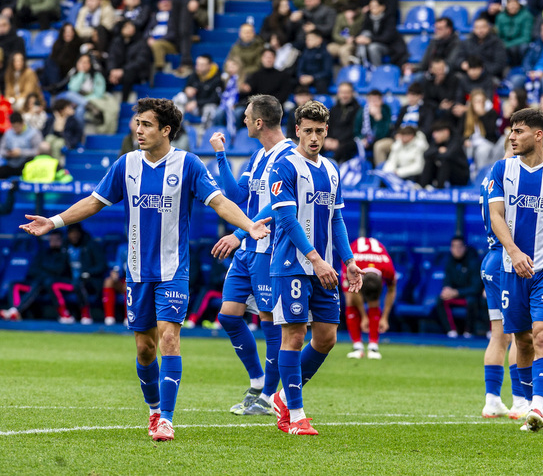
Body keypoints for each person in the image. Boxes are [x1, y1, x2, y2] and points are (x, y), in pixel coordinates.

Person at [18, 97, 271, 442]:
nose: (138, 130)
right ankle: (153, 410)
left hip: (173, 270)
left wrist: (249, 226)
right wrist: (54, 221)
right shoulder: (126, 165)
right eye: (137, 123)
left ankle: (166, 418)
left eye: (147, 124)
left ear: (166, 130)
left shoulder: (188, 164)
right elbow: (94, 201)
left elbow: (220, 202)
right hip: (137, 273)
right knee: (144, 348)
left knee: (169, 338)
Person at [268, 100, 364, 436]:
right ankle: (296, 414)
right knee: (294, 336)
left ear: (327, 132)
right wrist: (316, 258)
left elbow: (336, 218)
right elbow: (285, 218)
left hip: (324, 268)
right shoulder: (284, 166)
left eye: (319, 131)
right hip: (293, 265)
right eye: (307, 130)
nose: (313, 137)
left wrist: (349, 260)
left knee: (326, 338)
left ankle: (282, 398)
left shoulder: (332, 169)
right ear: (297, 130)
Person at [206, 95, 297, 416]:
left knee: (272, 323)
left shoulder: (290, 157)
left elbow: (278, 206)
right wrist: (221, 156)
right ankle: (258, 381)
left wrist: (239, 233)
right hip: (248, 250)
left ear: (259, 122)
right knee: (229, 315)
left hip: (270, 249)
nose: (243, 120)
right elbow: (237, 195)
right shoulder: (258, 156)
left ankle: (270, 396)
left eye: (246, 116)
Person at [488, 107, 543, 432]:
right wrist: (513, 251)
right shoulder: (501, 169)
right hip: (512, 269)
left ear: (538, 135)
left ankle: (538, 406)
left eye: (519, 131)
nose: (512, 136)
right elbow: (496, 215)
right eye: (511, 131)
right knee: (521, 340)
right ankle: (524, 403)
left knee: (542, 334)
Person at [479, 147, 529, 420]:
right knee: (521, 333)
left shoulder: (488, 178)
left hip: (490, 257)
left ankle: (492, 400)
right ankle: (521, 401)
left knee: (499, 334)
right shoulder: (513, 178)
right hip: (508, 258)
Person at [0, 231, 72, 321]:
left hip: (51, 284)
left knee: (43, 281)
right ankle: (14, 312)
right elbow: (32, 270)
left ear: (61, 240)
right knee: (14, 284)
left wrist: (44, 268)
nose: (53, 241)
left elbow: (59, 270)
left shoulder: (64, 254)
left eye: (56, 239)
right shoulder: (43, 252)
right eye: (52, 239)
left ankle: (15, 311)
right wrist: (46, 270)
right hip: (37, 282)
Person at [343, 237, 396, 359]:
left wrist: (385, 317)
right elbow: (352, 292)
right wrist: (364, 316)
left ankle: (373, 345)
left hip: (375, 264)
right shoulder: (351, 267)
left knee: (374, 302)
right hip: (353, 261)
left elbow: (392, 290)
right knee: (350, 300)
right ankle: (357, 346)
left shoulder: (388, 269)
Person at [65, 223, 107, 324]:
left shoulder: (91, 245)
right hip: (70, 281)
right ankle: (64, 315)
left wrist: (88, 273)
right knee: (51, 283)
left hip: (91, 281)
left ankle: (86, 314)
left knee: (79, 283)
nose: (74, 235)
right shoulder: (65, 246)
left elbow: (102, 265)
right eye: (71, 233)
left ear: (80, 233)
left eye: (76, 233)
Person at [107, 20, 153, 102]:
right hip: (118, 72)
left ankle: (124, 101)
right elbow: (112, 58)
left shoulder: (141, 42)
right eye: (126, 26)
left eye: (131, 26)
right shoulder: (116, 42)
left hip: (137, 73)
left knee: (129, 74)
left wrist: (123, 70)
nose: (130, 28)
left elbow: (140, 61)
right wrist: (112, 70)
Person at [172, 54, 223, 129]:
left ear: (210, 66)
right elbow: (186, 87)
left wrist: (197, 103)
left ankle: (205, 134)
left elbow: (216, 100)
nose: (198, 67)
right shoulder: (194, 74)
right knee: (180, 97)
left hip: (207, 106)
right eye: (197, 64)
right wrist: (186, 90)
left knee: (209, 108)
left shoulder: (218, 78)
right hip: (194, 106)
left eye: (202, 65)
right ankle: (176, 127)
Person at [354, 0, 407, 67]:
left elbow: (386, 38)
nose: (373, 9)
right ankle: (360, 63)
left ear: (382, 7)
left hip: (389, 46)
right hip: (371, 43)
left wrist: (370, 40)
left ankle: (377, 70)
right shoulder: (368, 18)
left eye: (375, 6)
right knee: (365, 34)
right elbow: (361, 30)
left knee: (373, 47)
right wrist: (357, 38)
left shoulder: (389, 18)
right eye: (371, 6)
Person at [420, 120, 469, 189]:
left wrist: (436, 154)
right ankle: (423, 187)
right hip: (444, 174)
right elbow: (426, 154)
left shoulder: (456, 140)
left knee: (446, 161)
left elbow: (448, 155)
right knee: (429, 160)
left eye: (437, 132)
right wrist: (438, 150)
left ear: (446, 132)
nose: (434, 135)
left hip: (460, 176)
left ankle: (439, 189)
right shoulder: (437, 143)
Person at [325, 81, 360, 164]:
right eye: (342, 93)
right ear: (338, 94)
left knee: (346, 147)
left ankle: (333, 170)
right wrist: (327, 139)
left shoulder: (358, 109)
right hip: (331, 140)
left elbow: (353, 130)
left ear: (352, 93)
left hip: (348, 141)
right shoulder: (333, 109)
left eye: (347, 93)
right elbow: (328, 126)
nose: (344, 96)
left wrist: (338, 141)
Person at [495, 0, 533, 67]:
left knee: (521, 48)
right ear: (506, 5)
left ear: (518, 4)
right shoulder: (500, 16)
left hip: (520, 43)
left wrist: (508, 44)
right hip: (505, 43)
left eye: (514, 3)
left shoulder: (526, 15)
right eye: (510, 3)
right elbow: (498, 35)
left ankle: (523, 67)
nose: (512, 6)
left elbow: (526, 37)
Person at [0, 112, 42, 179]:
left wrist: (21, 152)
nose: (15, 129)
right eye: (13, 126)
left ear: (22, 123)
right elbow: (1, 150)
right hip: (11, 163)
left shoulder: (34, 133)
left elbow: (38, 151)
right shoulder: (8, 133)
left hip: (27, 164)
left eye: (17, 126)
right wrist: (8, 153)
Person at [296, 29, 333, 94]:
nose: (307, 41)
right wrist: (301, 76)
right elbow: (300, 68)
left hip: (319, 79)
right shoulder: (305, 52)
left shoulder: (325, 53)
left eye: (310, 39)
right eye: (306, 39)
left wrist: (313, 78)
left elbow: (327, 72)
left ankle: (322, 102)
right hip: (306, 78)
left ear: (319, 40)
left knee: (321, 84)